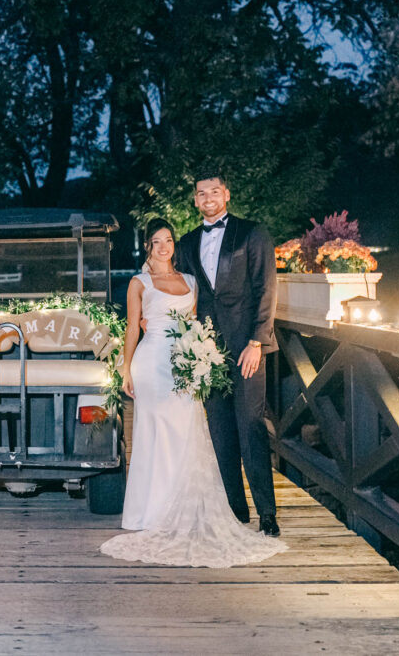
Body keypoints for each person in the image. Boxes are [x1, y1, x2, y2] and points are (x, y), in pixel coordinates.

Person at [99, 218, 285, 568]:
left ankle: (188, 505)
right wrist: (125, 369)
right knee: (155, 434)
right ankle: (150, 512)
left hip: (185, 362)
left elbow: (199, 321)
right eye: (157, 241)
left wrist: (202, 353)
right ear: (149, 246)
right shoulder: (138, 283)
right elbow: (131, 329)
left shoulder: (189, 281)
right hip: (151, 363)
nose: (165, 246)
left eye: (168, 239)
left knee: (186, 432)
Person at [176, 171, 281, 537]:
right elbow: (183, 295)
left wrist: (257, 342)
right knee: (220, 431)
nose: (208, 198)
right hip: (207, 352)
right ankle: (236, 510)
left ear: (227, 194)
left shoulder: (252, 233)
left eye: (214, 191)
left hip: (246, 348)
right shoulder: (187, 243)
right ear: (195, 200)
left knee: (250, 427)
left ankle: (267, 512)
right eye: (201, 193)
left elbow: (266, 290)